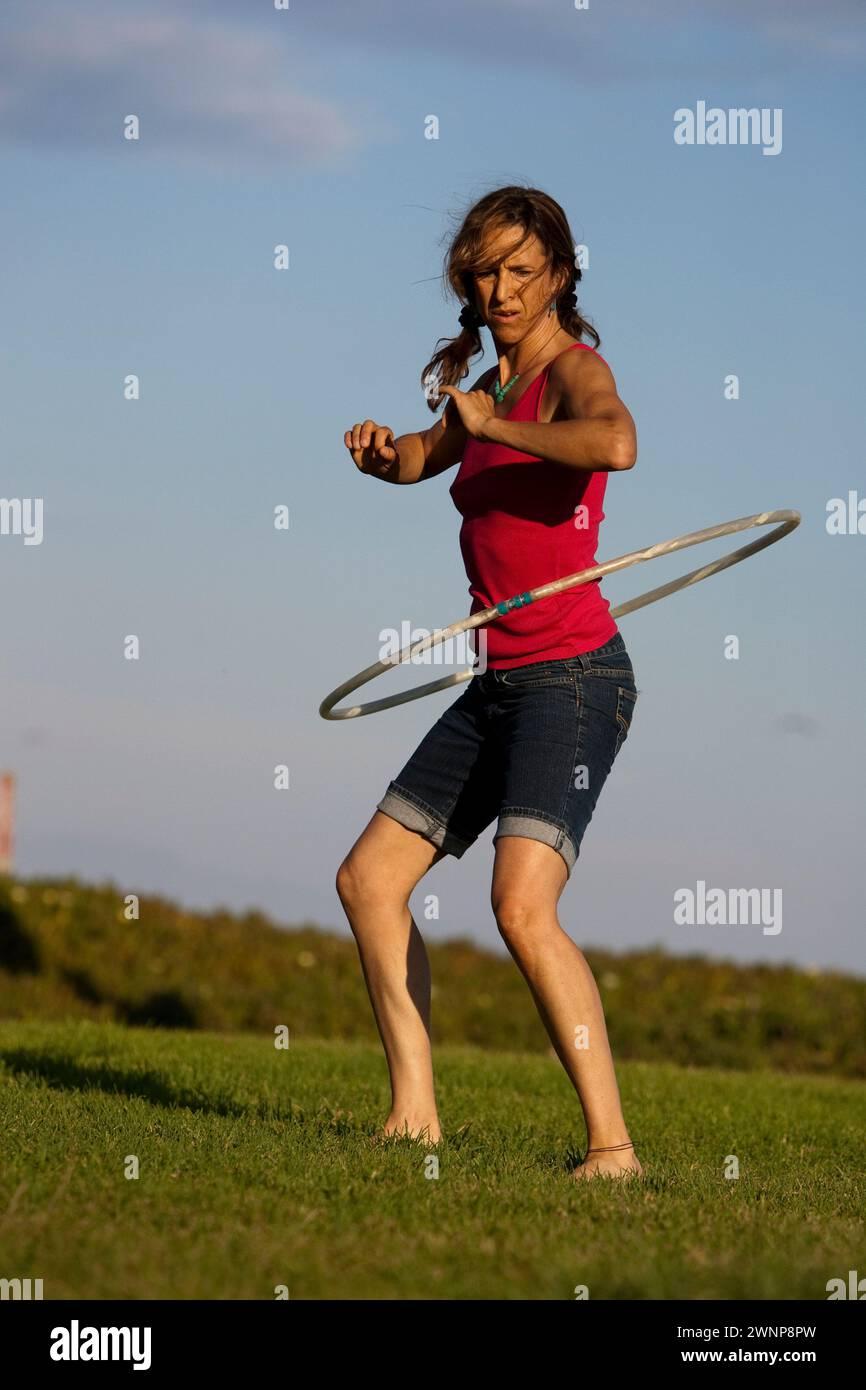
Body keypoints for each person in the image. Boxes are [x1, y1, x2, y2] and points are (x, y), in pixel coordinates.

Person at [338, 185, 642, 1182]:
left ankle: (611, 1149)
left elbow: (614, 443)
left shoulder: (568, 373)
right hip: (498, 676)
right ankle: (413, 1114)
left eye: (520, 271)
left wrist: (499, 428)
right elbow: (430, 456)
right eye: (483, 273)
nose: (501, 290)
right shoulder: (489, 386)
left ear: (558, 271)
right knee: (369, 879)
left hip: (573, 676)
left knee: (520, 904)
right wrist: (387, 456)